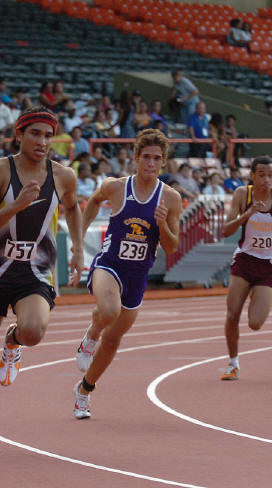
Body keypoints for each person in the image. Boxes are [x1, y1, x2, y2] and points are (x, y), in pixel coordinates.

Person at [0, 106, 84, 450]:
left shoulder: (63, 176)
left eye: (49, 135)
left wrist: (78, 249)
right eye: (35, 133)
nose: (42, 141)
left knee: (34, 332)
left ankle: (14, 341)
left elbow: (73, 207)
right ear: (19, 135)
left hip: (35, 272)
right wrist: (15, 207)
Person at [72, 128, 182, 419]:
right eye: (145, 157)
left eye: (156, 158)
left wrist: (163, 225)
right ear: (135, 158)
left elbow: (172, 246)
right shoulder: (116, 187)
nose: (150, 163)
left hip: (138, 274)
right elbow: (93, 202)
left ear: (163, 162)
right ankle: (90, 336)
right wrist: (78, 241)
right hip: (110, 264)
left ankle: (84, 391)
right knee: (108, 312)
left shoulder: (170, 199)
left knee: (114, 340)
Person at [219, 156, 272, 381]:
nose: (267, 180)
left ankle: (256, 293)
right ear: (252, 175)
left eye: (270, 175)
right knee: (232, 315)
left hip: (268, 266)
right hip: (245, 260)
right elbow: (225, 231)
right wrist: (246, 215)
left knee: (255, 323)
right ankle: (233, 363)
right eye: (261, 175)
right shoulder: (242, 195)